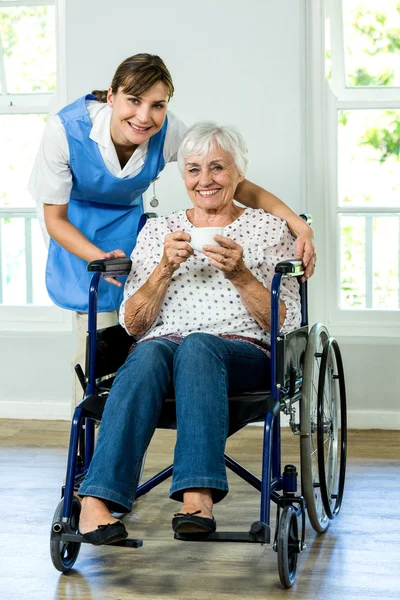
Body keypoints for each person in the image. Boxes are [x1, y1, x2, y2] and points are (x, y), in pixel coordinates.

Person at [28, 53, 315, 408]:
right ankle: (90, 447)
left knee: (141, 327)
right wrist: (98, 257)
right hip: (75, 228)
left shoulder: (170, 131)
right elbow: (55, 218)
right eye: (133, 100)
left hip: (129, 227)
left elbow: (226, 179)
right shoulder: (64, 130)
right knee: (97, 343)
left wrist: (299, 226)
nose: (144, 116)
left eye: (157, 105)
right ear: (111, 95)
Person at [77, 121, 302, 545]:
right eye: (194, 169)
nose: (205, 180)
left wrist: (241, 275)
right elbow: (135, 325)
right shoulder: (158, 231)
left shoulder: (269, 229)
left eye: (218, 168)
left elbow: (284, 323)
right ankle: (96, 502)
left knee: (199, 345)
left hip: (244, 355)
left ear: (239, 174)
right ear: (183, 178)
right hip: (163, 352)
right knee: (144, 352)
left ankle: (197, 495)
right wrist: (163, 269)